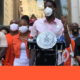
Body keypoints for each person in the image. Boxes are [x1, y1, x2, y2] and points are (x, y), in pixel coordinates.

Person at [30, 0, 64, 65]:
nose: (47, 8)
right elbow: (32, 44)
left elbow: (67, 43)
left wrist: (65, 30)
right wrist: (31, 63)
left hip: (56, 59)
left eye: (50, 6)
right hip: (40, 58)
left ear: (55, 9)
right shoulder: (37, 23)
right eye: (45, 7)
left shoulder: (60, 23)